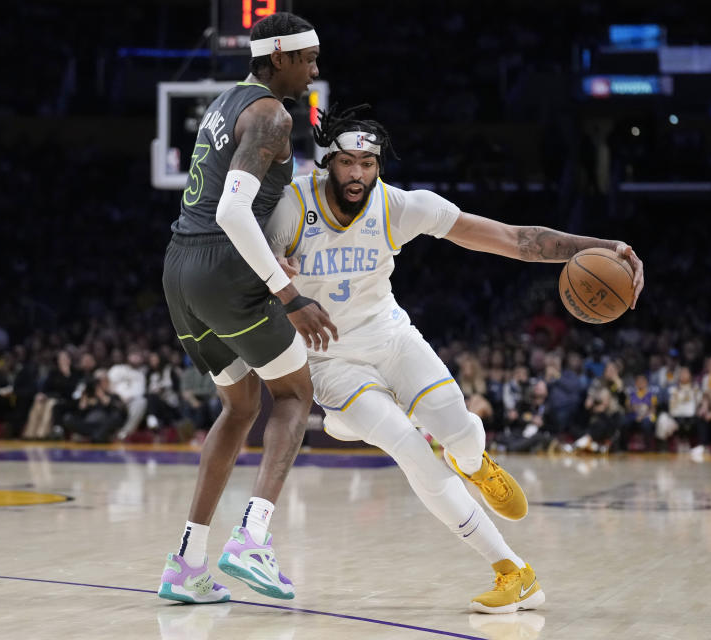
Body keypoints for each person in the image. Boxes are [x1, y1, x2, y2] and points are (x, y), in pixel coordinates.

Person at [264, 106, 644, 612]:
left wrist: (606, 246)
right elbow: (248, 273)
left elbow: (515, 239)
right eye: (348, 162)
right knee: (410, 448)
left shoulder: (399, 206)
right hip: (330, 359)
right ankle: (514, 571)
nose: (358, 174)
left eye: (368, 163)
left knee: (459, 430)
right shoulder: (291, 208)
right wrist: (275, 278)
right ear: (327, 162)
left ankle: (473, 461)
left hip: (392, 337)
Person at [157, 13, 336, 605]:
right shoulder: (270, 114)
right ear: (278, 57)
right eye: (307, 59)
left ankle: (186, 560)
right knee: (293, 395)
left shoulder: (226, 103)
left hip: (179, 269)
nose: (314, 69)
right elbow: (235, 213)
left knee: (239, 407)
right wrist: (291, 297)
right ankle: (251, 538)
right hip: (221, 267)